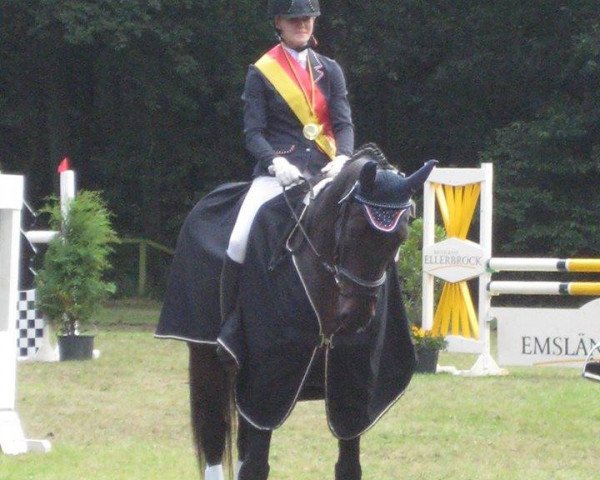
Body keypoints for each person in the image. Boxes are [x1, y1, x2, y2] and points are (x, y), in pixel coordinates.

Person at [220, 0, 355, 325]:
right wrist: (275, 162)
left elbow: (343, 124)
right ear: (279, 22)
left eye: (308, 18)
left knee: (364, 232)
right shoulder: (261, 72)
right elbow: (254, 133)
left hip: (326, 172)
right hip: (278, 175)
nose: (303, 25)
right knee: (239, 239)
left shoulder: (330, 70)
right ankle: (229, 325)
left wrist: (344, 158)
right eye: (295, 19)